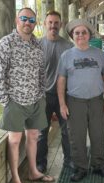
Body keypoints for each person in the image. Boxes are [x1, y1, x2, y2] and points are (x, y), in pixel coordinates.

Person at [0, 7, 54, 183]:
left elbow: (41, 72)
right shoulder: (6, 43)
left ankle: (33, 171)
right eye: (24, 19)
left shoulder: (37, 44)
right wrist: (5, 100)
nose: (27, 22)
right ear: (17, 21)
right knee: (15, 140)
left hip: (36, 100)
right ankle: (16, 179)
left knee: (33, 136)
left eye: (31, 20)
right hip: (15, 101)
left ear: (35, 23)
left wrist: (41, 94)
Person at [57, 19, 104, 182]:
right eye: (77, 33)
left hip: (96, 101)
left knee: (98, 134)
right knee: (76, 137)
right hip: (75, 102)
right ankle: (81, 167)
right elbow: (61, 81)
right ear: (72, 36)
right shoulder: (66, 56)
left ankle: (99, 165)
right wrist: (62, 104)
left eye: (84, 32)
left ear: (89, 35)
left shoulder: (99, 54)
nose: (80, 35)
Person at [36, 10, 73, 173]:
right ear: (44, 24)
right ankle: (40, 163)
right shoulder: (36, 45)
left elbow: (73, 73)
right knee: (41, 132)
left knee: (67, 131)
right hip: (43, 96)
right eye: (50, 22)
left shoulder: (68, 46)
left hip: (63, 96)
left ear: (61, 24)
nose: (53, 26)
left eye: (56, 23)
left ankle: (69, 161)